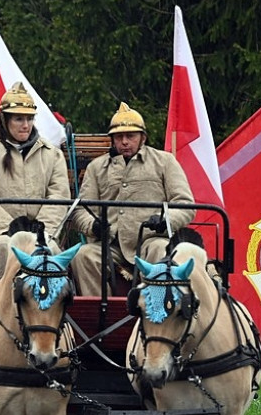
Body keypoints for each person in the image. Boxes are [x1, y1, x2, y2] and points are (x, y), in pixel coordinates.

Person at [70, 102, 195, 296]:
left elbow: (185, 205)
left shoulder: (164, 161)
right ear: (112, 140)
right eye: (119, 137)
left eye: (130, 136)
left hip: (150, 241)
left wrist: (165, 220)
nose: (125, 142)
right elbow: (81, 211)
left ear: (143, 138)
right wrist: (93, 226)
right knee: (83, 256)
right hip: (109, 245)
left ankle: (157, 311)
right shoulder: (97, 167)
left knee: (162, 252)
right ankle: (99, 316)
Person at [0, 82, 70, 282]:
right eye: (19, 119)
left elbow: (59, 198)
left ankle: (50, 310)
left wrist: (41, 229)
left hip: (41, 235)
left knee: (53, 251)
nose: (25, 125)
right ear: (4, 120)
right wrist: (9, 227)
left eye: (30, 118)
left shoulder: (52, 154)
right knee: (7, 249)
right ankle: (2, 308)